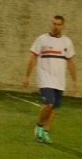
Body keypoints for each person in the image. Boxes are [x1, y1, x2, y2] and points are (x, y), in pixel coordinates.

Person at [22, 15, 76, 144]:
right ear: (51, 24)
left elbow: (70, 62)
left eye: (59, 24)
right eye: (54, 24)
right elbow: (33, 58)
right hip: (45, 78)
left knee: (53, 108)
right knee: (49, 104)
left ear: (63, 26)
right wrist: (27, 76)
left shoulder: (67, 42)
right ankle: (39, 127)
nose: (56, 26)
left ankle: (45, 133)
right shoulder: (42, 39)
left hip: (59, 81)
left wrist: (75, 81)